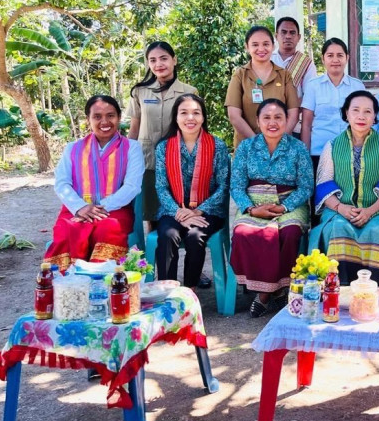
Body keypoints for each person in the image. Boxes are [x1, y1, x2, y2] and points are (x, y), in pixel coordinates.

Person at [230, 99, 314, 317]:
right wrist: (251, 209)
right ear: (258, 121)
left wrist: (285, 207)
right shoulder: (246, 147)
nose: (272, 123)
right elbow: (236, 186)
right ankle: (275, 290)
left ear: (287, 121)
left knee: (290, 232)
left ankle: (265, 294)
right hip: (254, 203)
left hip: (289, 203)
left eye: (278, 117)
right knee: (243, 232)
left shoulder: (298, 148)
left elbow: (306, 186)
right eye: (266, 117)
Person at [45, 95, 144, 270]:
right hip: (77, 209)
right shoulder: (73, 148)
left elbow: (132, 186)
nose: (104, 121)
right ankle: (71, 282)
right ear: (88, 119)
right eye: (97, 116)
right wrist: (81, 207)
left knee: (108, 229)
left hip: (115, 210)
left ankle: (103, 280)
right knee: (69, 230)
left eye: (110, 115)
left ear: (119, 117)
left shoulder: (132, 147)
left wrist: (101, 208)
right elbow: (62, 183)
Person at [313, 91, 379, 285]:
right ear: (346, 113)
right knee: (338, 228)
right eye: (356, 110)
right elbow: (324, 183)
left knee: (375, 231)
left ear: (374, 116)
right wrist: (341, 208)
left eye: (367, 111)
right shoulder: (332, 145)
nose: (361, 116)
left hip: (377, 210)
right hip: (338, 210)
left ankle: (374, 289)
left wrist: (369, 211)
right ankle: (339, 287)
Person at [154, 94, 230, 289]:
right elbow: (161, 186)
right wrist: (179, 212)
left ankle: (190, 290)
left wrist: (197, 211)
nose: (190, 118)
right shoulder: (164, 147)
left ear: (203, 117)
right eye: (184, 113)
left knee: (195, 236)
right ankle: (167, 289)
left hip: (208, 210)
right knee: (168, 234)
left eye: (196, 113)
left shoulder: (218, 146)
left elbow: (223, 186)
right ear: (176, 117)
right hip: (172, 209)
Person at [128, 41, 197, 225]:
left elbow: (195, 128)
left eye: (164, 58)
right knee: (151, 214)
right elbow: (134, 128)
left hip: (178, 161)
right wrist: (126, 157)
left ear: (174, 60)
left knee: (177, 213)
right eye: (153, 60)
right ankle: (153, 244)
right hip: (147, 160)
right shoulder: (140, 91)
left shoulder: (189, 92)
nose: (158, 64)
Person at [225, 25, 300, 147]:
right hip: (247, 147)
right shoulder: (240, 75)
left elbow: (293, 114)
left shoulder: (284, 75)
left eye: (266, 44)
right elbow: (234, 116)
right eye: (255, 45)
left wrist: (277, 142)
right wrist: (258, 143)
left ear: (273, 46)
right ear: (247, 47)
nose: (261, 49)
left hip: (280, 148)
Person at [300, 38, 366, 170]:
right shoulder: (313, 86)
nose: (335, 60)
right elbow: (306, 125)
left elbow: (365, 120)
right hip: (319, 152)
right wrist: (305, 156)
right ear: (323, 59)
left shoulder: (357, 86)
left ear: (347, 58)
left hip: (351, 153)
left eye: (340, 55)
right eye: (330, 55)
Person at [272, 16, 317, 134]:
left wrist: (289, 112)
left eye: (292, 33)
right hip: (268, 124)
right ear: (276, 36)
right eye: (283, 32)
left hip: (295, 127)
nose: (288, 36)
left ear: (299, 37)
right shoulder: (268, 59)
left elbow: (309, 96)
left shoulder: (306, 64)